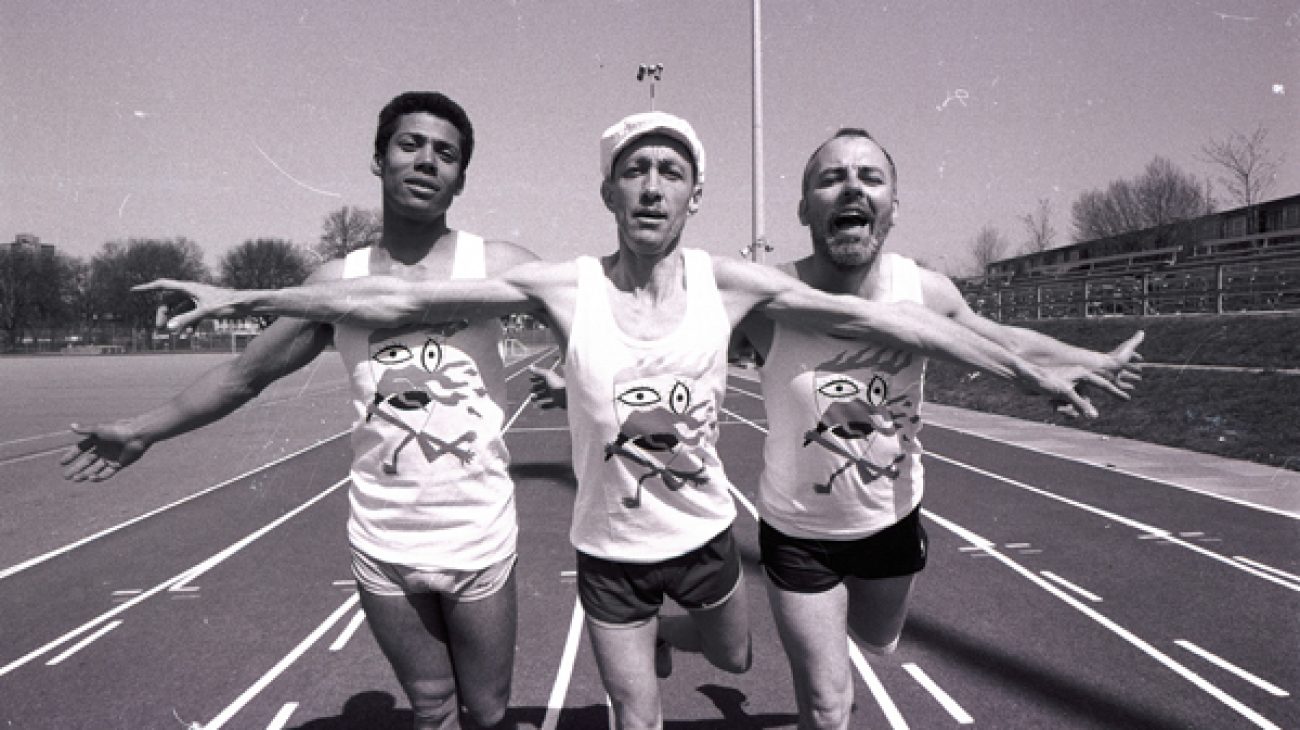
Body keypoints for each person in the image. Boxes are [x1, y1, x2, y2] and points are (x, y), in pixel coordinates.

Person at [133, 111, 1123, 730]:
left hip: (702, 537)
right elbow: (386, 304)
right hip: (605, 549)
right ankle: (646, 649)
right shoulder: (562, 285)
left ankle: (678, 635)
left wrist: (1042, 368)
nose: (651, 186)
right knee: (637, 713)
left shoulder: (730, 282)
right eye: (633, 171)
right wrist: (243, 297)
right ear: (608, 192)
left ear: (696, 195)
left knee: (737, 651)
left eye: (670, 172)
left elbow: (887, 319)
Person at [61, 91, 537, 730]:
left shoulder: (502, 264)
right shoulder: (333, 283)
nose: (427, 161)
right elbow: (243, 374)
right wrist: (144, 430)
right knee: (430, 705)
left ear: (460, 179)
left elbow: (596, 309)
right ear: (379, 160)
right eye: (410, 144)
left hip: (478, 531)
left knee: (488, 710)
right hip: (382, 535)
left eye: (445, 154)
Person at [732, 127, 1143, 729]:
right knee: (827, 703)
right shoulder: (767, 301)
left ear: (892, 209)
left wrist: (1083, 360)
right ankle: (823, 664)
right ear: (803, 208)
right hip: (798, 531)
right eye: (831, 177)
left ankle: (833, 640)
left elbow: (997, 339)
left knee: (878, 640)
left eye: (870, 178)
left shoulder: (921, 290)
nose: (852, 187)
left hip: (891, 520)